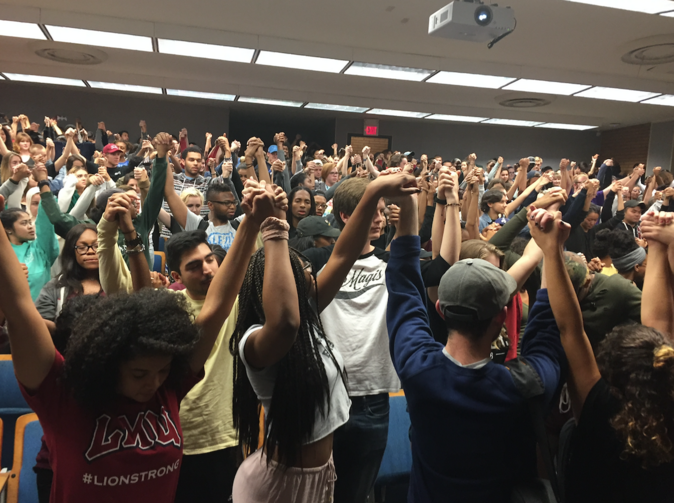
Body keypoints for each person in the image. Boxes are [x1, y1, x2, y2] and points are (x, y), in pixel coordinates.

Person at [0, 201, 219, 502]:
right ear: (110, 360)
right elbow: (18, 307)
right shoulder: (63, 397)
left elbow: (208, 308)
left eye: (163, 371)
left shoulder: (165, 387)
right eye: (140, 373)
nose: (154, 382)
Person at [231, 175, 418, 502]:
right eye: (298, 271)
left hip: (320, 477)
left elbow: (343, 257)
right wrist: (274, 228)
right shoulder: (255, 343)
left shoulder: (309, 314)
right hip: (279, 486)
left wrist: (372, 192)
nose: (309, 273)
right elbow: (285, 321)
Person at [385, 182, 564, 501]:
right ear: (502, 316)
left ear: (440, 309)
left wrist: (409, 210)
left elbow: (403, 290)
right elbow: (548, 328)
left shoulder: (417, 368)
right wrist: (551, 251)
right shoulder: (525, 385)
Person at [536, 207, 674, 502]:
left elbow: (569, 328)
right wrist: (662, 246)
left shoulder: (598, 404)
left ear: (610, 372)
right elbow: (661, 325)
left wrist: (551, 251)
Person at [1, 171, 59, 300]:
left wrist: (43, 184)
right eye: (24, 223)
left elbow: (45, 224)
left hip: (43, 314)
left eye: (29, 222)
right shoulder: (3, 252)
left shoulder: (40, 249)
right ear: (8, 229)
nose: (30, 226)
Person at [35, 223, 102, 331]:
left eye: (97, 246)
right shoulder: (55, 287)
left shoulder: (120, 283)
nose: (90, 252)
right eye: (82, 247)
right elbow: (41, 326)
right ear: (71, 251)